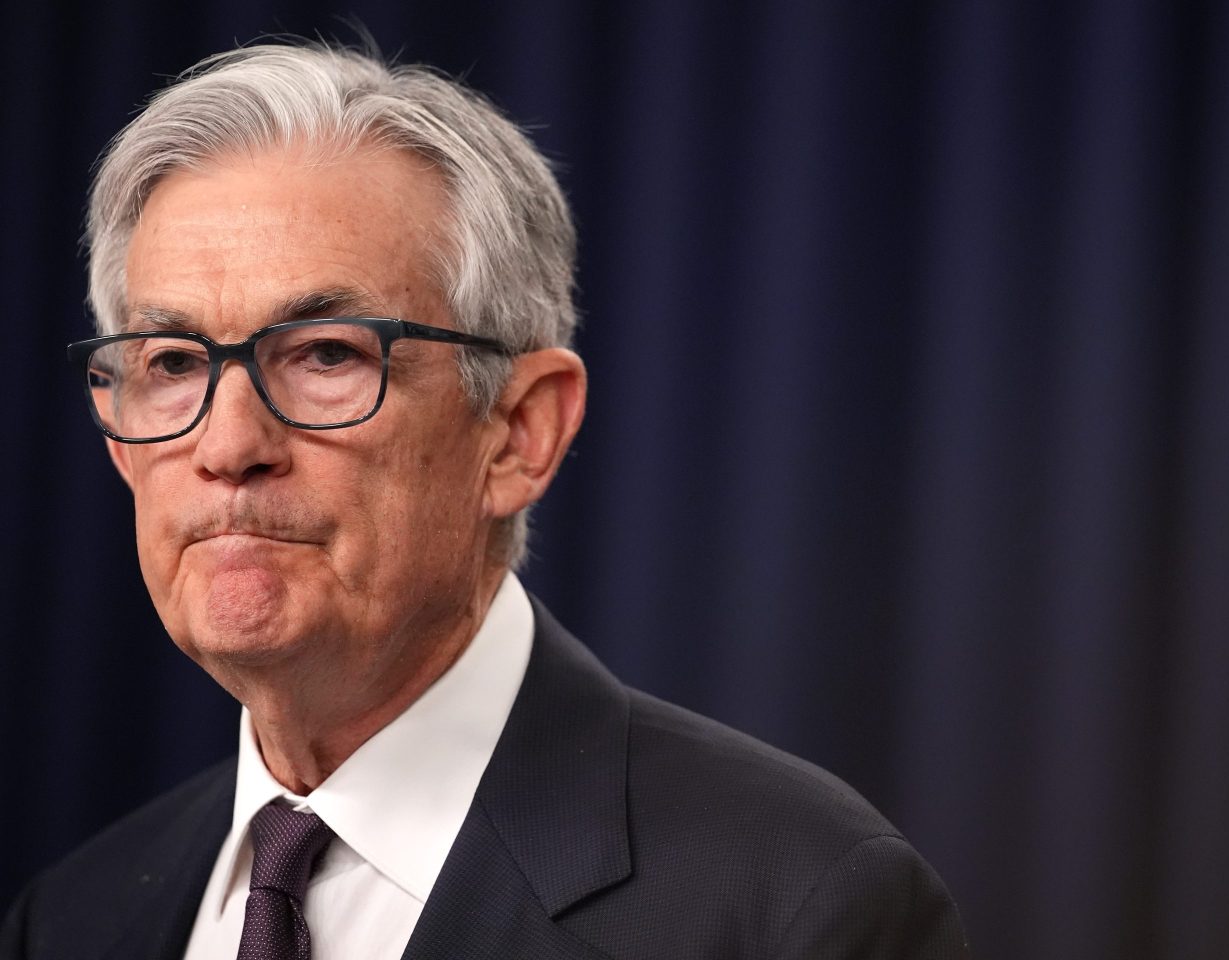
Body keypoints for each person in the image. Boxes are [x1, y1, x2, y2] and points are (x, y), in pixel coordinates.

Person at [0, 41, 966, 960]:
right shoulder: (70, 920)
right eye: (173, 364)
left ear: (519, 432)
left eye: (327, 355)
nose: (228, 447)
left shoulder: (796, 906)